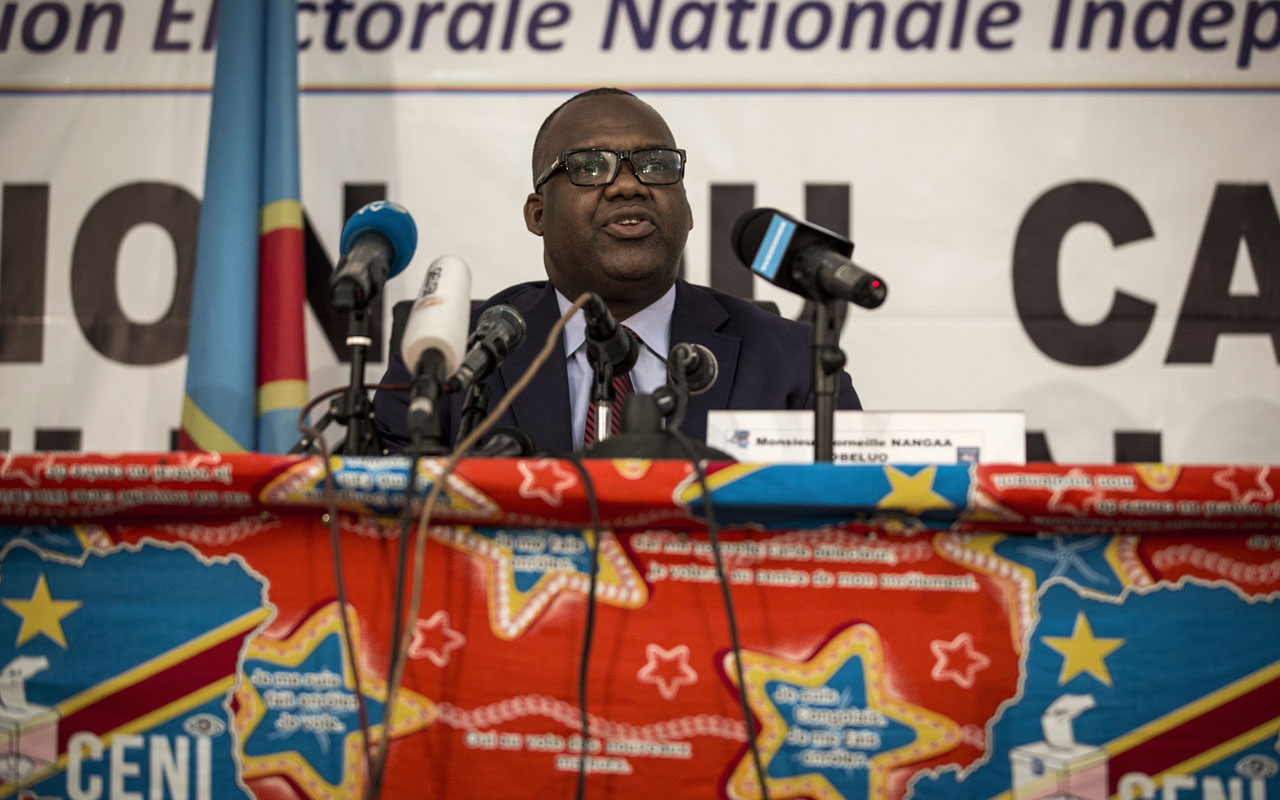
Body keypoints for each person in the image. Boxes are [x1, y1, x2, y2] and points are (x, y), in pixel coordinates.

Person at [372, 87, 860, 455]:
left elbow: (853, 528)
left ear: (688, 211)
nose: (629, 186)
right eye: (589, 167)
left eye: (656, 165)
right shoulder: (445, 354)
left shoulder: (791, 362)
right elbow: (382, 525)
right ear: (537, 214)